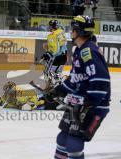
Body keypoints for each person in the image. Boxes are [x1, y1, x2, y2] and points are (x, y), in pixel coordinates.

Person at [48, 15, 110, 159]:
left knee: (74, 143)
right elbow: (76, 79)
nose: (71, 32)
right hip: (78, 103)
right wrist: (59, 90)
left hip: (93, 106)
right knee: (62, 139)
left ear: (79, 31)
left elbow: (101, 80)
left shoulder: (89, 51)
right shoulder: (80, 50)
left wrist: (90, 100)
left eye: (73, 29)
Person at [41, 19, 68, 88]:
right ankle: (60, 86)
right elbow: (64, 43)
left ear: (51, 27)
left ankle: (47, 88)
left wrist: (48, 54)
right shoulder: (62, 31)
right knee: (57, 73)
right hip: (64, 56)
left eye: (49, 26)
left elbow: (56, 49)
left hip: (56, 57)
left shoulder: (51, 35)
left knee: (46, 72)